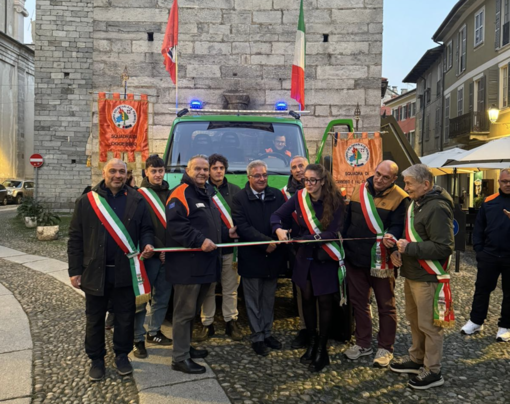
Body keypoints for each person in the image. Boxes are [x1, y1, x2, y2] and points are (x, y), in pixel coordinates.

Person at [68, 158, 154, 381]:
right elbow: (75, 238)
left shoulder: (137, 199)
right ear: (103, 172)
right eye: (113, 171)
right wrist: (74, 270)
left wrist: (147, 243)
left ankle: (122, 355)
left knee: (125, 318)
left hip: (125, 272)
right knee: (94, 318)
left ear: (127, 175)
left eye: (122, 172)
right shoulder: (87, 201)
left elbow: (146, 228)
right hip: (95, 272)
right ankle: (96, 359)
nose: (117, 175)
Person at [166, 154, 238, 374]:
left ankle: (185, 347)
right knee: (184, 312)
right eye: (197, 168)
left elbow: (212, 226)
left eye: (205, 169)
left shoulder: (207, 192)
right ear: (188, 171)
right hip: (188, 266)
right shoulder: (180, 194)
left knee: (192, 311)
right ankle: (179, 358)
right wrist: (200, 241)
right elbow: (177, 226)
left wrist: (227, 233)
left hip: (206, 264)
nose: (202, 172)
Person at [272, 164, 345, 372]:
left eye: (313, 180)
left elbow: (334, 232)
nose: (309, 184)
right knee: (306, 300)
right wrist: (278, 229)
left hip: (325, 256)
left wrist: (308, 238)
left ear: (322, 181)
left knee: (324, 302)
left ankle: (323, 349)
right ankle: (312, 343)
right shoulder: (299, 197)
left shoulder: (335, 200)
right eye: (306, 180)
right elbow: (276, 216)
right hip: (305, 257)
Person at [389, 164, 454, 390]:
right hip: (413, 273)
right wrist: (398, 251)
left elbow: (444, 247)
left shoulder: (436, 207)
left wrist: (410, 249)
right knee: (415, 321)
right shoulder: (416, 203)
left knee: (429, 326)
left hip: (427, 276)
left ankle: (433, 370)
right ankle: (417, 359)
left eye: (409, 184)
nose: (405, 188)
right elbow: (410, 238)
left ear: (425, 184)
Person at [342, 160, 408, 368]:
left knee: (386, 306)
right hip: (355, 258)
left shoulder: (401, 198)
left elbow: (399, 225)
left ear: (393, 179)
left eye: (385, 177)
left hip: (382, 261)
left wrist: (392, 235)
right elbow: (348, 220)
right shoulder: (358, 190)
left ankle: (385, 347)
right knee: (359, 304)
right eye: (378, 174)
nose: (379, 179)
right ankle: (363, 343)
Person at [232, 160, 287, 356]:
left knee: (268, 298)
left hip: (273, 257)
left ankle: (267, 332)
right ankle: (257, 336)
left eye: (264, 174)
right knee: (252, 299)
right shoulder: (239, 198)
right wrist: (266, 242)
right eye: (257, 175)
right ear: (249, 178)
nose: (262, 178)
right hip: (252, 256)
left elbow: (282, 220)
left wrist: (276, 242)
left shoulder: (277, 195)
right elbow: (242, 226)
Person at [194, 154, 243, 342]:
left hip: (230, 250)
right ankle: (207, 323)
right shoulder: (200, 191)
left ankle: (231, 321)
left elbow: (239, 218)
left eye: (221, 168)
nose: (218, 171)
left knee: (231, 288)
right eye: (214, 168)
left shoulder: (235, 190)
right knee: (208, 288)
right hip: (209, 250)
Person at [461, 169, 510, 342]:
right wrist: (479, 249)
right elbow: (479, 227)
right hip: (488, 254)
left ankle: (505, 325)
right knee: (482, 289)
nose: (508, 184)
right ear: (499, 182)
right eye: (504, 181)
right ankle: (476, 321)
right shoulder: (489, 202)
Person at [133, 155, 173, 359]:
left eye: (160, 171)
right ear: (146, 172)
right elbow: (141, 227)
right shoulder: (138, 195)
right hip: (148, 255)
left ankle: (154, 332)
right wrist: (159, 249)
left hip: (169, 255)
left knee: (162, 297)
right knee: (141, 299)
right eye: (153, 171)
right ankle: (138, 337)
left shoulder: (172, 194)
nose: (157, 175)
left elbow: (175, 224)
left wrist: (170, 249)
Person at [281, 155, 310, 349]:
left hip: (320, 247)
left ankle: (322, 326)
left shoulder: (320, 189)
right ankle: (305, 327)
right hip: (297, 248)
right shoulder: (285, 193)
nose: (298, 170)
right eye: (294, 167)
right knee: (302, 291)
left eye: (301, 166)